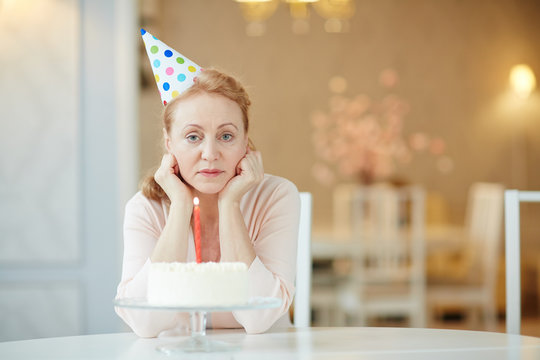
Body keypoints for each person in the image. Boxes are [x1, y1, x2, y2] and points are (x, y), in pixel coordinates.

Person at [114, 67, 301, 337]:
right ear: (169, 144)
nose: (210, 154)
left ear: (245, 143)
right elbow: (144, 323)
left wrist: (230, 205)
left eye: (226, 136)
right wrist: (180, 206)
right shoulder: (145, 208)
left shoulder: (277, 196)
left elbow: (260, 319)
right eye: (193, 137)